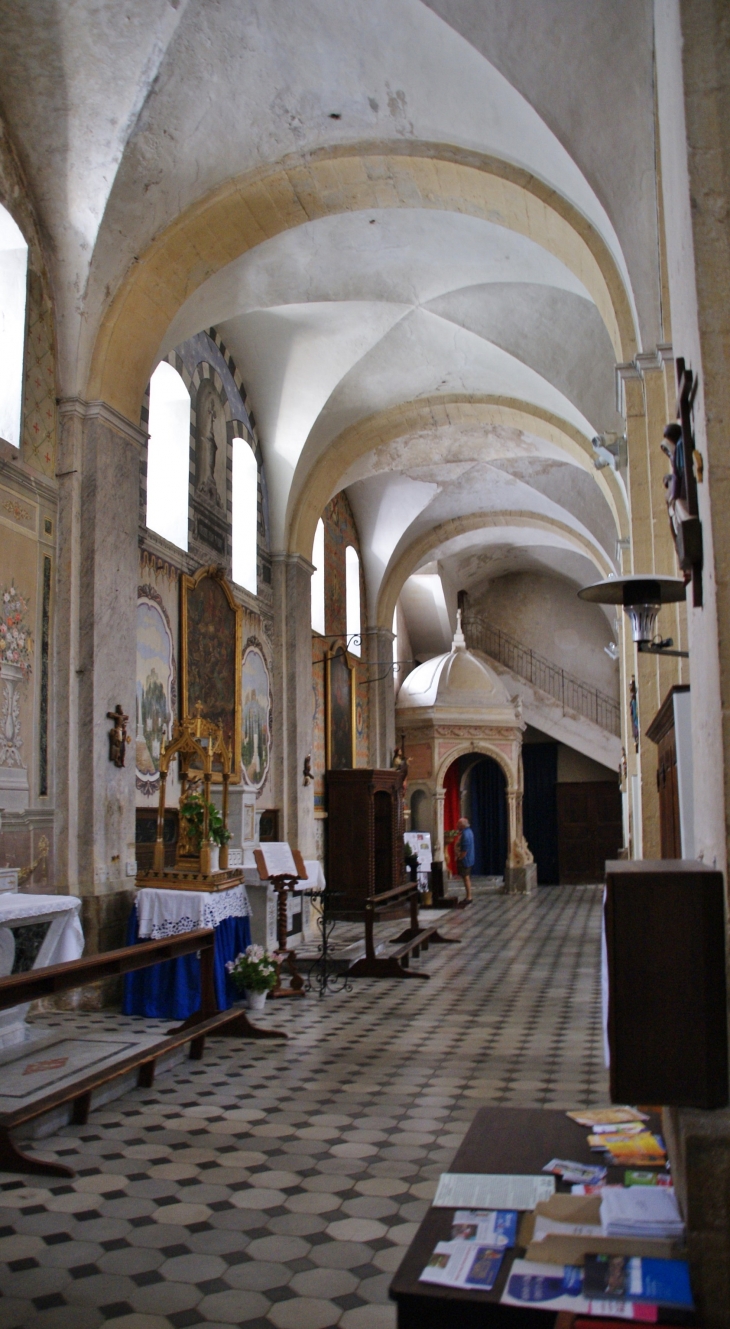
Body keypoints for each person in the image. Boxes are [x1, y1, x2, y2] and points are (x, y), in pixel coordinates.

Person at [455, 816, 475, 903]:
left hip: (465, 859)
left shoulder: (466, 834)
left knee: (466, 878)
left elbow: (465, 849)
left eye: (458, 824)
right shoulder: (469, 832)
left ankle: (469, 897)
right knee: (466, 878)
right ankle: (468, 896)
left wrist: (460, 857)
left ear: (462, 825)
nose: (457, 825)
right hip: (469, 858)